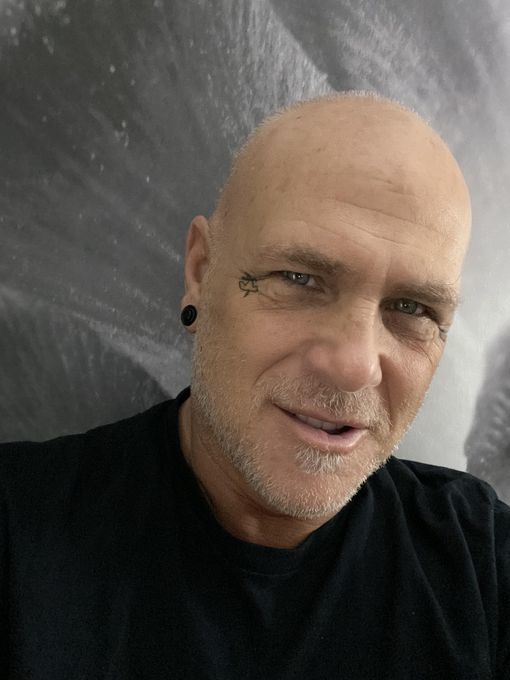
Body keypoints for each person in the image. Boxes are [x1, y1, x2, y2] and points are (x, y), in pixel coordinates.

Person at [0, 91, 508, 679]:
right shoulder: (20, 534)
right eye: (299, 278)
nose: (355, 366)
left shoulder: (482, 568)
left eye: (413, 308)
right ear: (200, 271)